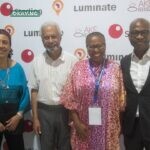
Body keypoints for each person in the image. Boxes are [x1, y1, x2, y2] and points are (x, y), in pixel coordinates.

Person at [60, 32, 126, 150]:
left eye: (99, 45)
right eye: (91, 46)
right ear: (87, 47)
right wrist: (77, 123)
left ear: (105, 46)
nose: (96, 49)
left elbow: (121, 101)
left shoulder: (115, 68)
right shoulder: (78, 68)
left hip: (109, 128)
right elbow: (69, 99)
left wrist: (118, 125)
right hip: (83, 126)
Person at [28, 21, 77, 150]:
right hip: (43, 112)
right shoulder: (37, 61)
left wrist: (74, 115)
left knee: (66, 146)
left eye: (53, 36)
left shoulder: (72, 61)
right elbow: (33, 91)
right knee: (46, 146)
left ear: (60, 37)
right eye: (46, 37)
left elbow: (77, 91)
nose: (50, 40)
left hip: (65, 111)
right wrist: (35, 118)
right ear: (41, 39)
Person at [121, 18, 150, 150]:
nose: (139, 36)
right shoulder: (124, 62)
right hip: (131, 125)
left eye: (144, 32)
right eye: (135, 33)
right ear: (129, 36)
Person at [0, 29, 30, 150]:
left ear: (10, 46)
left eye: (4, 42)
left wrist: (19, 115)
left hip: (14, 117)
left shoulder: (18, 68)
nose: (1, 45)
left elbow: (25, 94)